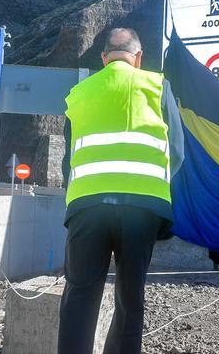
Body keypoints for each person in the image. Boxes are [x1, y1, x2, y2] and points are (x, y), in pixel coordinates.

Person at [58, 27, 182, 354]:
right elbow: (177, 150)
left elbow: (68, 157)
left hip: (88, 207)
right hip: (141, 209)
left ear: (104, 58)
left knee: (80, 295)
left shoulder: (79, 93)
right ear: (138, 57)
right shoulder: (157, 86)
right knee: (130, 297)